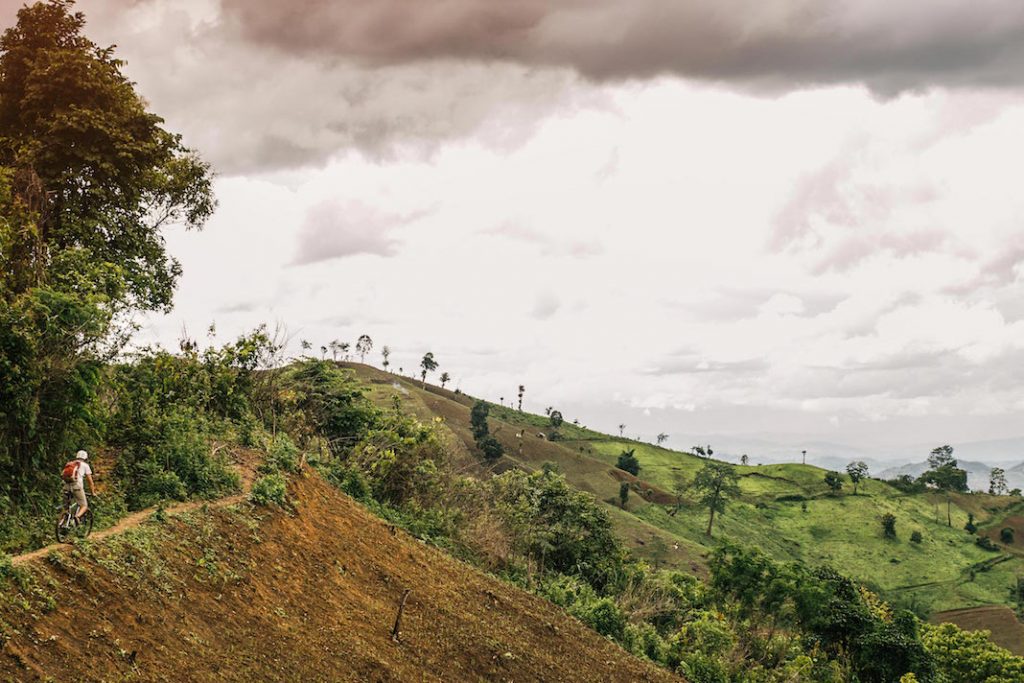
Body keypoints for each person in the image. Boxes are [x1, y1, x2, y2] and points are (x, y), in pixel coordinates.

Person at [62, 449, 96, 521]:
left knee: (66, 508)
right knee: (84, 506)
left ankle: (62, 523)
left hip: (66, 487)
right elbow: (90, 481)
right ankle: (76, 517)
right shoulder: (85, 465)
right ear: (85, 457)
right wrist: (92, 493)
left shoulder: (70, 464)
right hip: (77, 487)